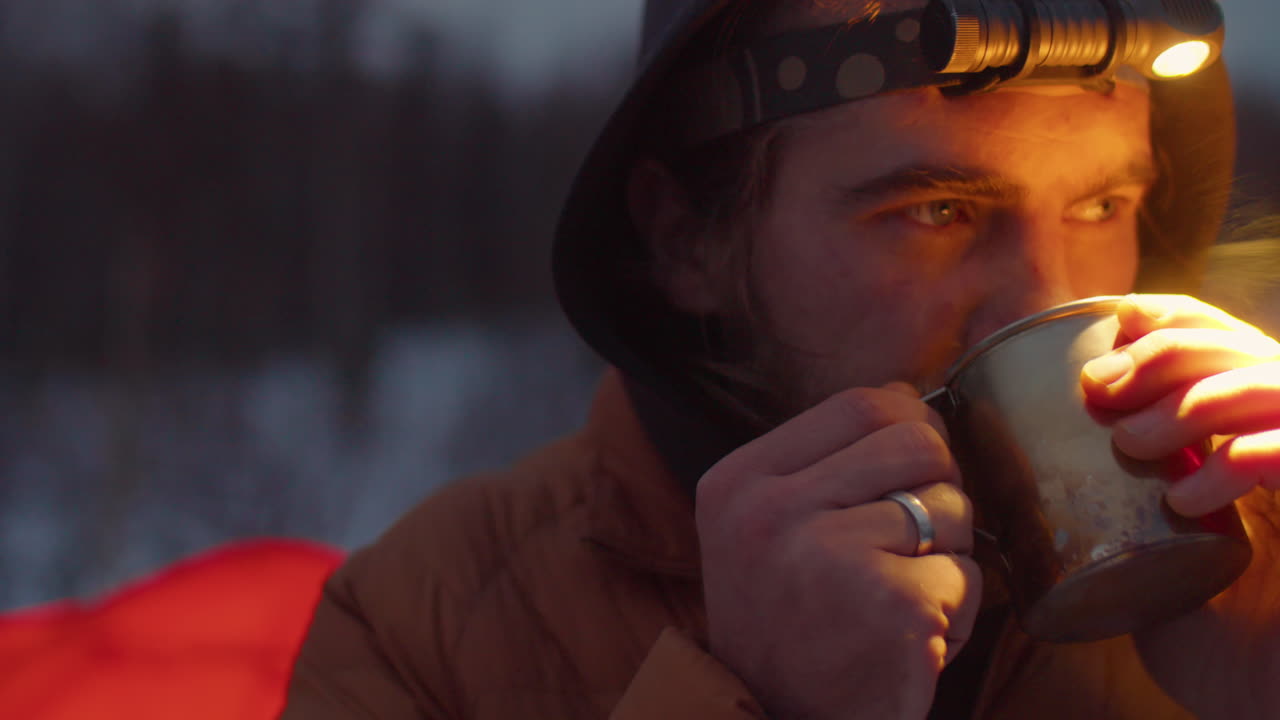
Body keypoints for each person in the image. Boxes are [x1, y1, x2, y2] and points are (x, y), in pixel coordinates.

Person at [282, 1, 1280, 718]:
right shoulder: (423, 626)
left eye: (1101, 206)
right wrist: (754, 701)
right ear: (685, 240)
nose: (1045, 300)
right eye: (934, 211)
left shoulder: (1242, 564)